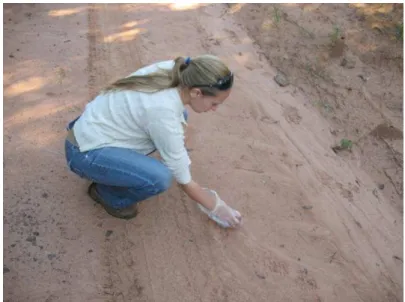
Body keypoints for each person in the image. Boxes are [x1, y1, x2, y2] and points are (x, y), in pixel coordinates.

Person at [64, 55, 242, 228]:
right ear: (196, 92)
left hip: (89, 129)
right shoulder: (163, 113)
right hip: (84, 153)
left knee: (182, 117)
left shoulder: (176, 69)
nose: (215, 109)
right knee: (159, 178)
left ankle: (117, 168)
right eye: (214, 103)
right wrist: (217, 208)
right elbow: (184, 181)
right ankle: (108, 195)